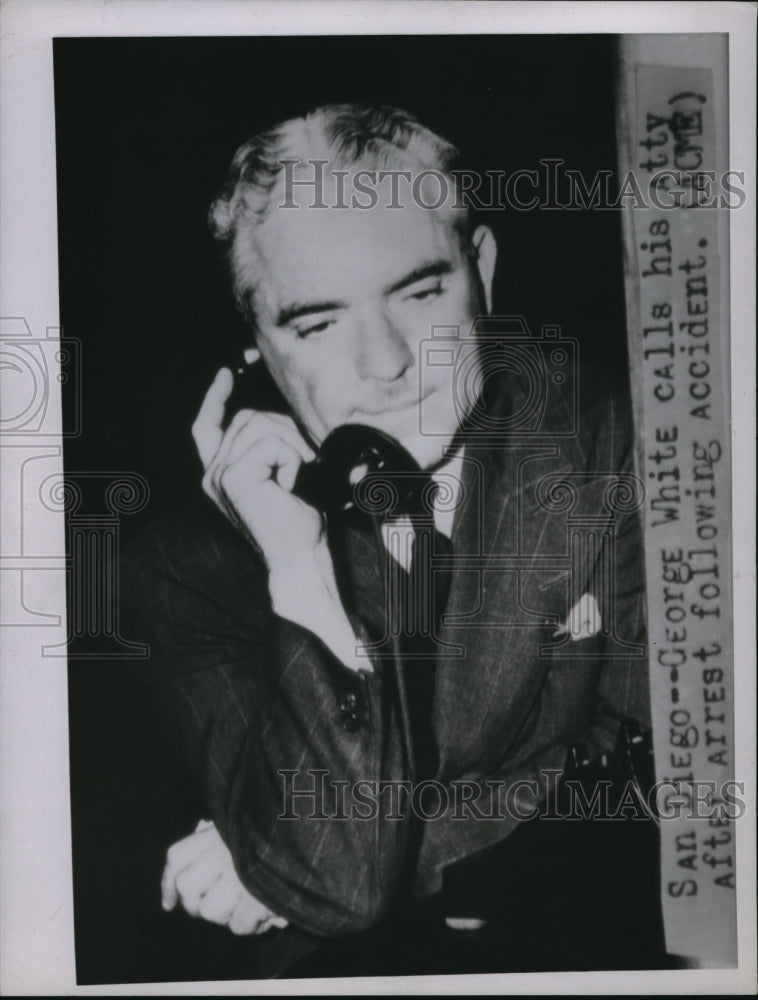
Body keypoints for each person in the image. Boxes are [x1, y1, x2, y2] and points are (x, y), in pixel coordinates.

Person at [127, 104, 661, 973]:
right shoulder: (186, 566)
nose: (386, 363)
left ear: (482, 269)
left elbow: (649, 766)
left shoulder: (615, 434)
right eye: (318, 324)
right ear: (256, 346)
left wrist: (269, 850)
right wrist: (299, 571)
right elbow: (339, 881)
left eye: (419, 294)